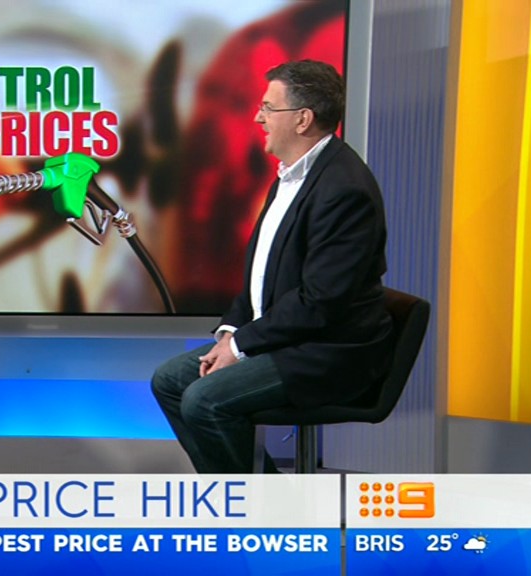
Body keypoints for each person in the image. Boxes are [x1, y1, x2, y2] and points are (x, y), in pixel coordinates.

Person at [151, 60, 392, 473]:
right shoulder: (291, 175)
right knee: (170, 381)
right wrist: (230, 333)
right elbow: (261, 276)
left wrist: (240, 346)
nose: (257, 117)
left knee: (204, 400)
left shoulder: (344, 189)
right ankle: (261, 491)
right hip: (284, 338)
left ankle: (252, 506)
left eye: (268, 107)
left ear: (302, 119)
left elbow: (320, 303)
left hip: (329, 352)